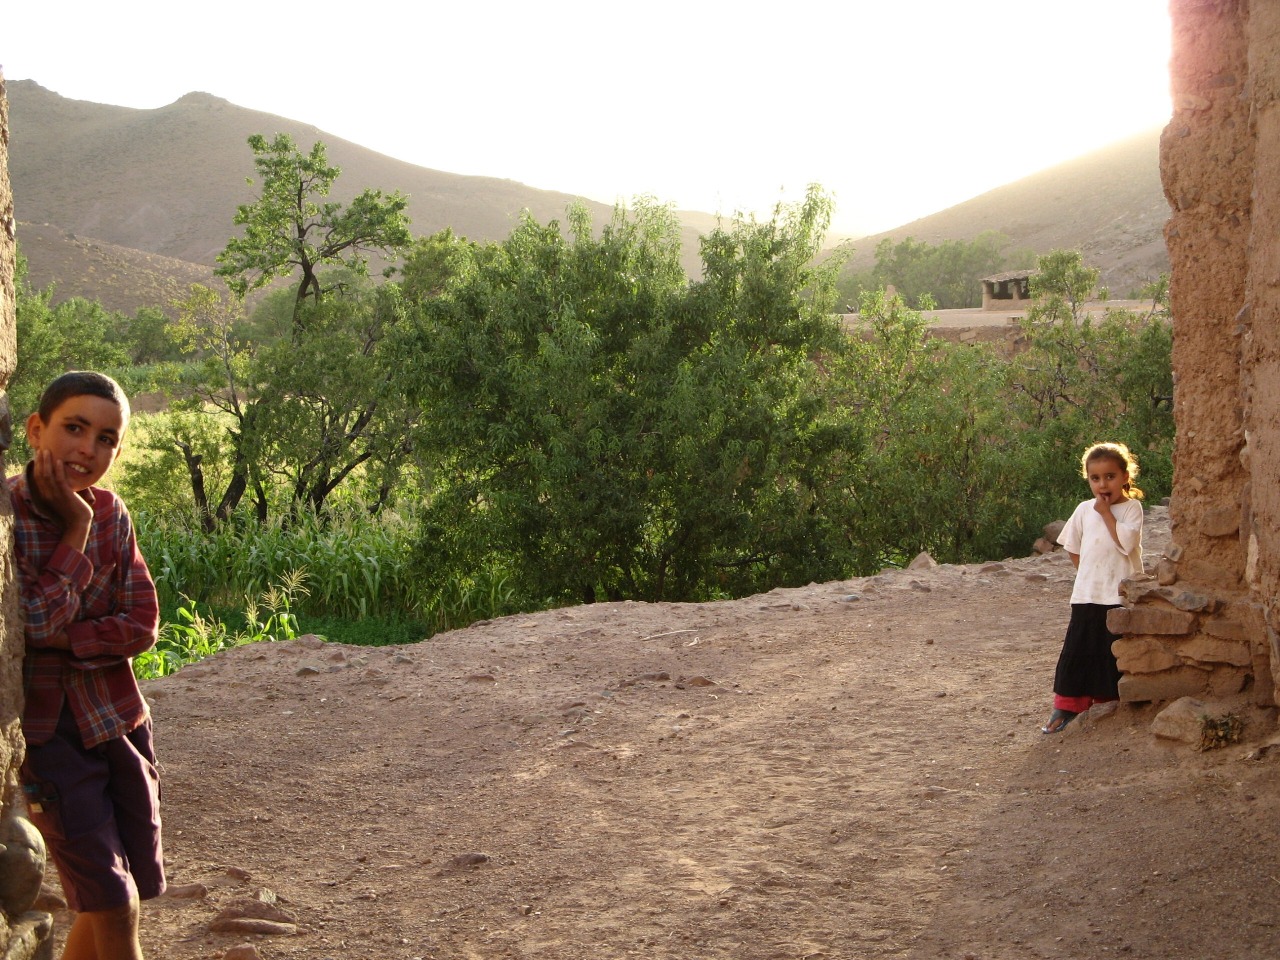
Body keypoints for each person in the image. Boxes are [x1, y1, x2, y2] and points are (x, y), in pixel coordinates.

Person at [11, 371, 164, 960]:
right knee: (112, 899)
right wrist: (75, 529)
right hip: (51, 738)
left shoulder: (113, 512)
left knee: (127, 887)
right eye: (73, 428)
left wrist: (65, 639)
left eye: (105, 439)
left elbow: (142, 622)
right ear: (35, 430)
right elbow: (34, 626)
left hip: (119, 721)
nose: (87, 449)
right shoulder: (9, 517)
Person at [1041, 441, 1145, 734]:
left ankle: (1107, 703)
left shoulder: (1132, 509)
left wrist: (1106, 513)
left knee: (1109, 649)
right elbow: (1072, 546)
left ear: (1125, 476)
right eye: (1095, 478)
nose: (1102, 484)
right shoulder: (1084, 510)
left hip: (1119, 594)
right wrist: (1088, 574)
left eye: (1110, 476)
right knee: (1079, 648)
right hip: (1087, 593)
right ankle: (1067, 706)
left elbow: (1125, 544)